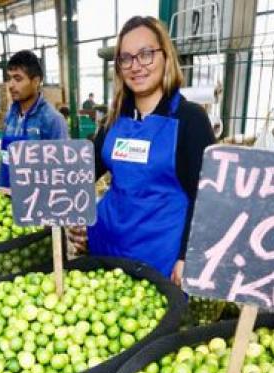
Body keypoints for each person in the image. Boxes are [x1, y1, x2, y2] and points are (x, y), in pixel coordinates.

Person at [68, 16, 215, 285]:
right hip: (106, 248)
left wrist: (186, 256)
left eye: (146, 54)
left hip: (160, 260)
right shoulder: (113, 119)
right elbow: (78, 174)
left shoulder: (190, 119)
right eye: (126, 58)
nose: (136, 66)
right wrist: (74, 218)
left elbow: (206, 198)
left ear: (165, 57)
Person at [0, 50, 68, 189]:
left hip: (38, 200)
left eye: (18, 79)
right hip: (9, 194)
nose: (11, 85)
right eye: (9, 78)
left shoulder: (52, 120)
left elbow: (63, 170)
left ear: (35, 81)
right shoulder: (10, 116)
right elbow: (6, 158)